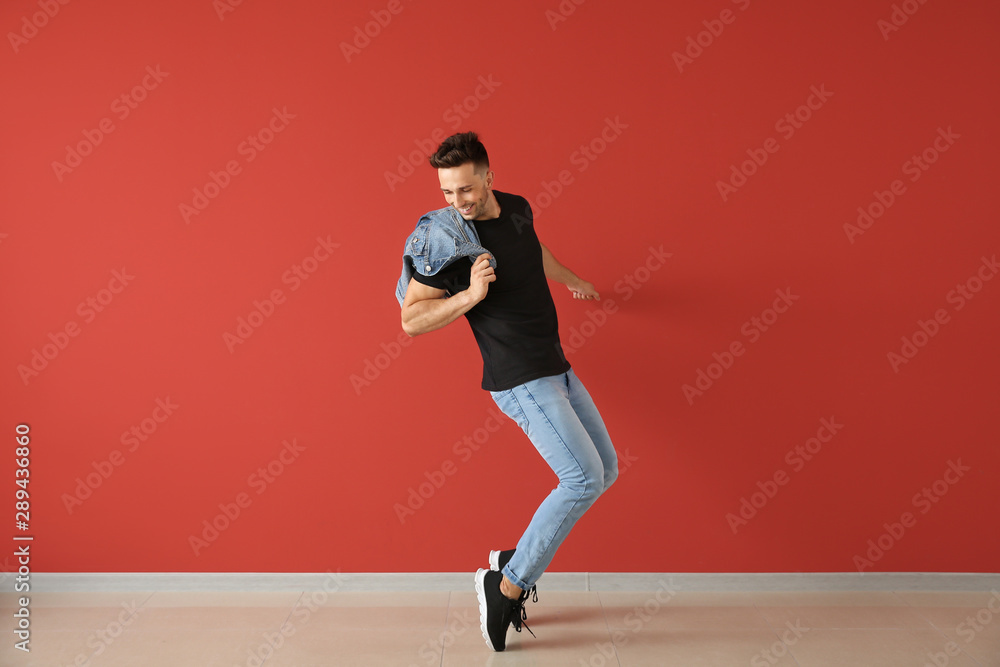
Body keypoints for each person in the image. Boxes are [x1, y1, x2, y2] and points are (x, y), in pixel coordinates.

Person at [395, 131, 618, 652]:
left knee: (604, 469)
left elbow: (534, 252)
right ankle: (507, 584)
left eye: (467, 189)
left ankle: (506, 562)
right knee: (581, 478)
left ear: (490, 177)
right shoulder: (448, 239)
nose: (459, 202)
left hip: (555, 365)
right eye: (448, 192)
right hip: (519, 378)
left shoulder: (516, 207)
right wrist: (472, 294)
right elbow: (411, 320)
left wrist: (570, 279)